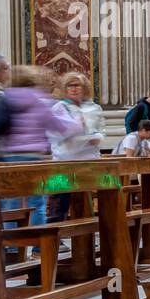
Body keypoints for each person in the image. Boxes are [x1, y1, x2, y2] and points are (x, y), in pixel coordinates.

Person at [0, 65, 81, 226]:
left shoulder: (4, 98)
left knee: (12, 202)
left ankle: (12, 246)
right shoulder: (39, 100)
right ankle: (39, 245)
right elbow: (58, 125)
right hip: (34, 156)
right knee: (37, 202)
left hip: (10, 157)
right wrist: (77, 124)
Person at [47, 72, 104, 223]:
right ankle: (53, 240)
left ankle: (87, 238)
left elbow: (99, 130)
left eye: (77, 85)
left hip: (88, 160)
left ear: (84, 87)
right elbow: (55, 133)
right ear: (64, 89)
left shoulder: (93, 107)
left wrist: (96, 137)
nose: (73, 89)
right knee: (60, 201)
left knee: (85, 201)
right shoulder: (59, 108)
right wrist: (78, 128)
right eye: (70, 86)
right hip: (64, 161)